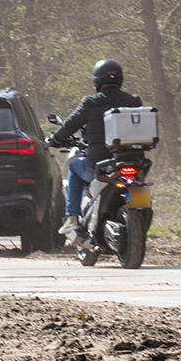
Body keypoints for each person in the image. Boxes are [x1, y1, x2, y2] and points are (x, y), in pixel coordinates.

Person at [48, 59, 142, 234]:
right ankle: (140, 210)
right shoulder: (134, 101)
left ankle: (72, 217)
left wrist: (54, 138)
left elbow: (69, 125)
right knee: (139, 186)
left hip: (101, 166)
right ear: (120, 79)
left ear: (97, 80)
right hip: (133, 162)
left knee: (74, 166)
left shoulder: (91, 103)